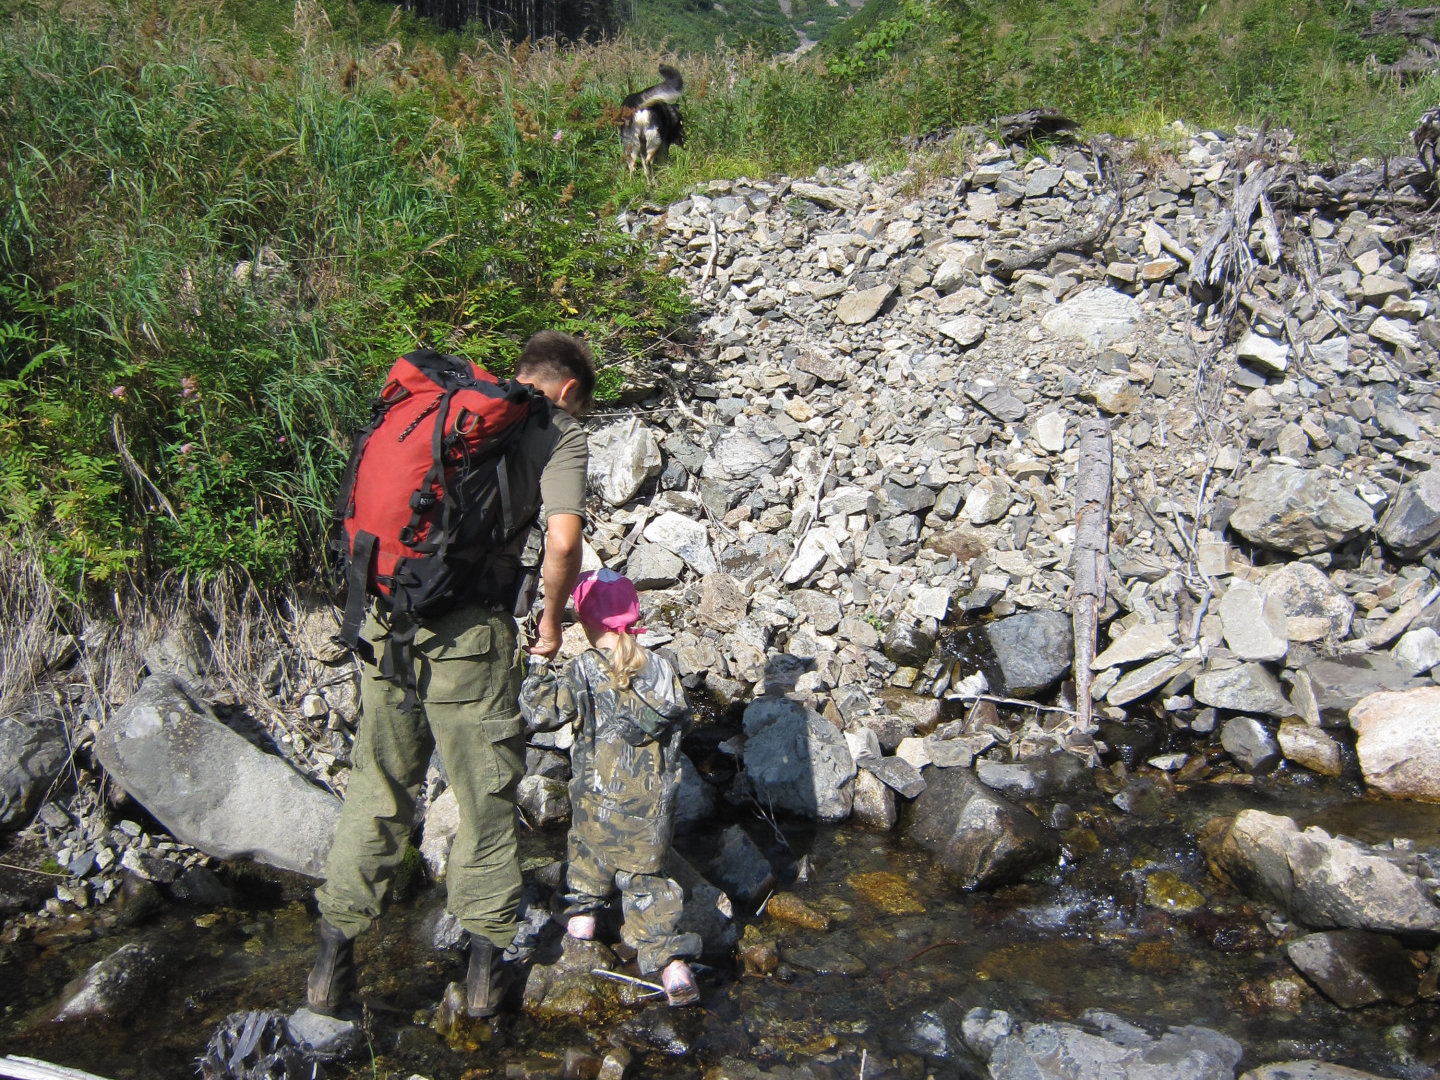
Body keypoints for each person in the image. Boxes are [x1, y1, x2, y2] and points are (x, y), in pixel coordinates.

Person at [307, 330, 594, 1020]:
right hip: (470, 636)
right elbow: (563, 541)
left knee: (378, 783)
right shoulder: (557, 431)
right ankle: (484, 983)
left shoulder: (447, 411)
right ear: (570, 389)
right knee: (485, 797)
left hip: (385, 620)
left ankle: (329, 968)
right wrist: (552, 619)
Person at [519, 568, 703, 1008]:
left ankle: (581, 928)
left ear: (585, 621)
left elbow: (541, 714)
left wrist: (539, 663)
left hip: (595, 807)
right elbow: (681, 727)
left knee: (585, 867)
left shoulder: (583, 669)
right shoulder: (662, 667)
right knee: (649, 886)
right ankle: (672, 967)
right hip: (650, 813)